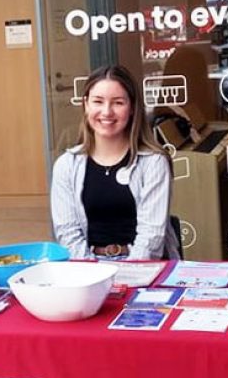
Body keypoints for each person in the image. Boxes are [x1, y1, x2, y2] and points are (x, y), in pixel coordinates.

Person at [51, 65, 179, 260]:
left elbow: (151, 237)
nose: (107, 111)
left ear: (132, 108)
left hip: (143, 266)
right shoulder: (66, 165)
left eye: (118, 103)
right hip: (87, 268)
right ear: (86, 105)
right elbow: (67, 233)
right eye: (98, 102)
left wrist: (127, 277)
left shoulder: (154, 162)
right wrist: (92, 276)